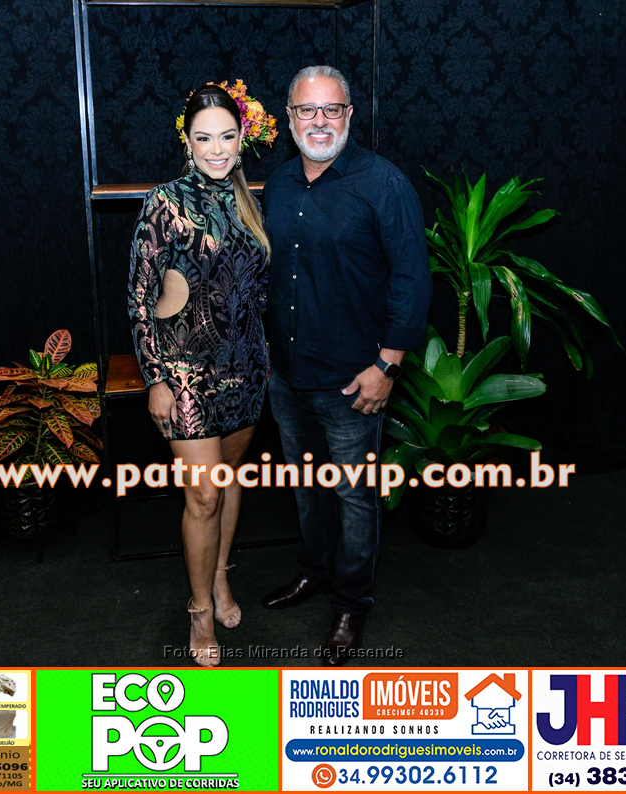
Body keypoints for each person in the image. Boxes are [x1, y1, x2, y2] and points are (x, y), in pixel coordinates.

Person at [260, 65, 431, 665]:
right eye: (307, 110)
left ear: (350, 115)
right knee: (307, 489)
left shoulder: (384, 184)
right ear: (288, 118)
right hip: (288, 376)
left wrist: (387, 366)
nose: (319, 121)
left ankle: (352, 602)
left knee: (356, 496)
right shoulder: (278, 184)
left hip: (354, 380)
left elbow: (412, 279)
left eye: (331, 109)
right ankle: (315, 571)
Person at [128, 82, 275, 667]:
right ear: (187, 142)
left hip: (246, 368)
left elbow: (257, 293)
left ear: (242, 141)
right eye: (204, 138)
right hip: (185, 373)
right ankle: (199, 611)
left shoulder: (249, 202)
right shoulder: (164, 202)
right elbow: (140, 298)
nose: (217, 149)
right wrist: (155, 378)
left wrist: (264, 356)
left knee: (230, 477)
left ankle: (219, 575)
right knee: (204, 492)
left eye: (227, 137)